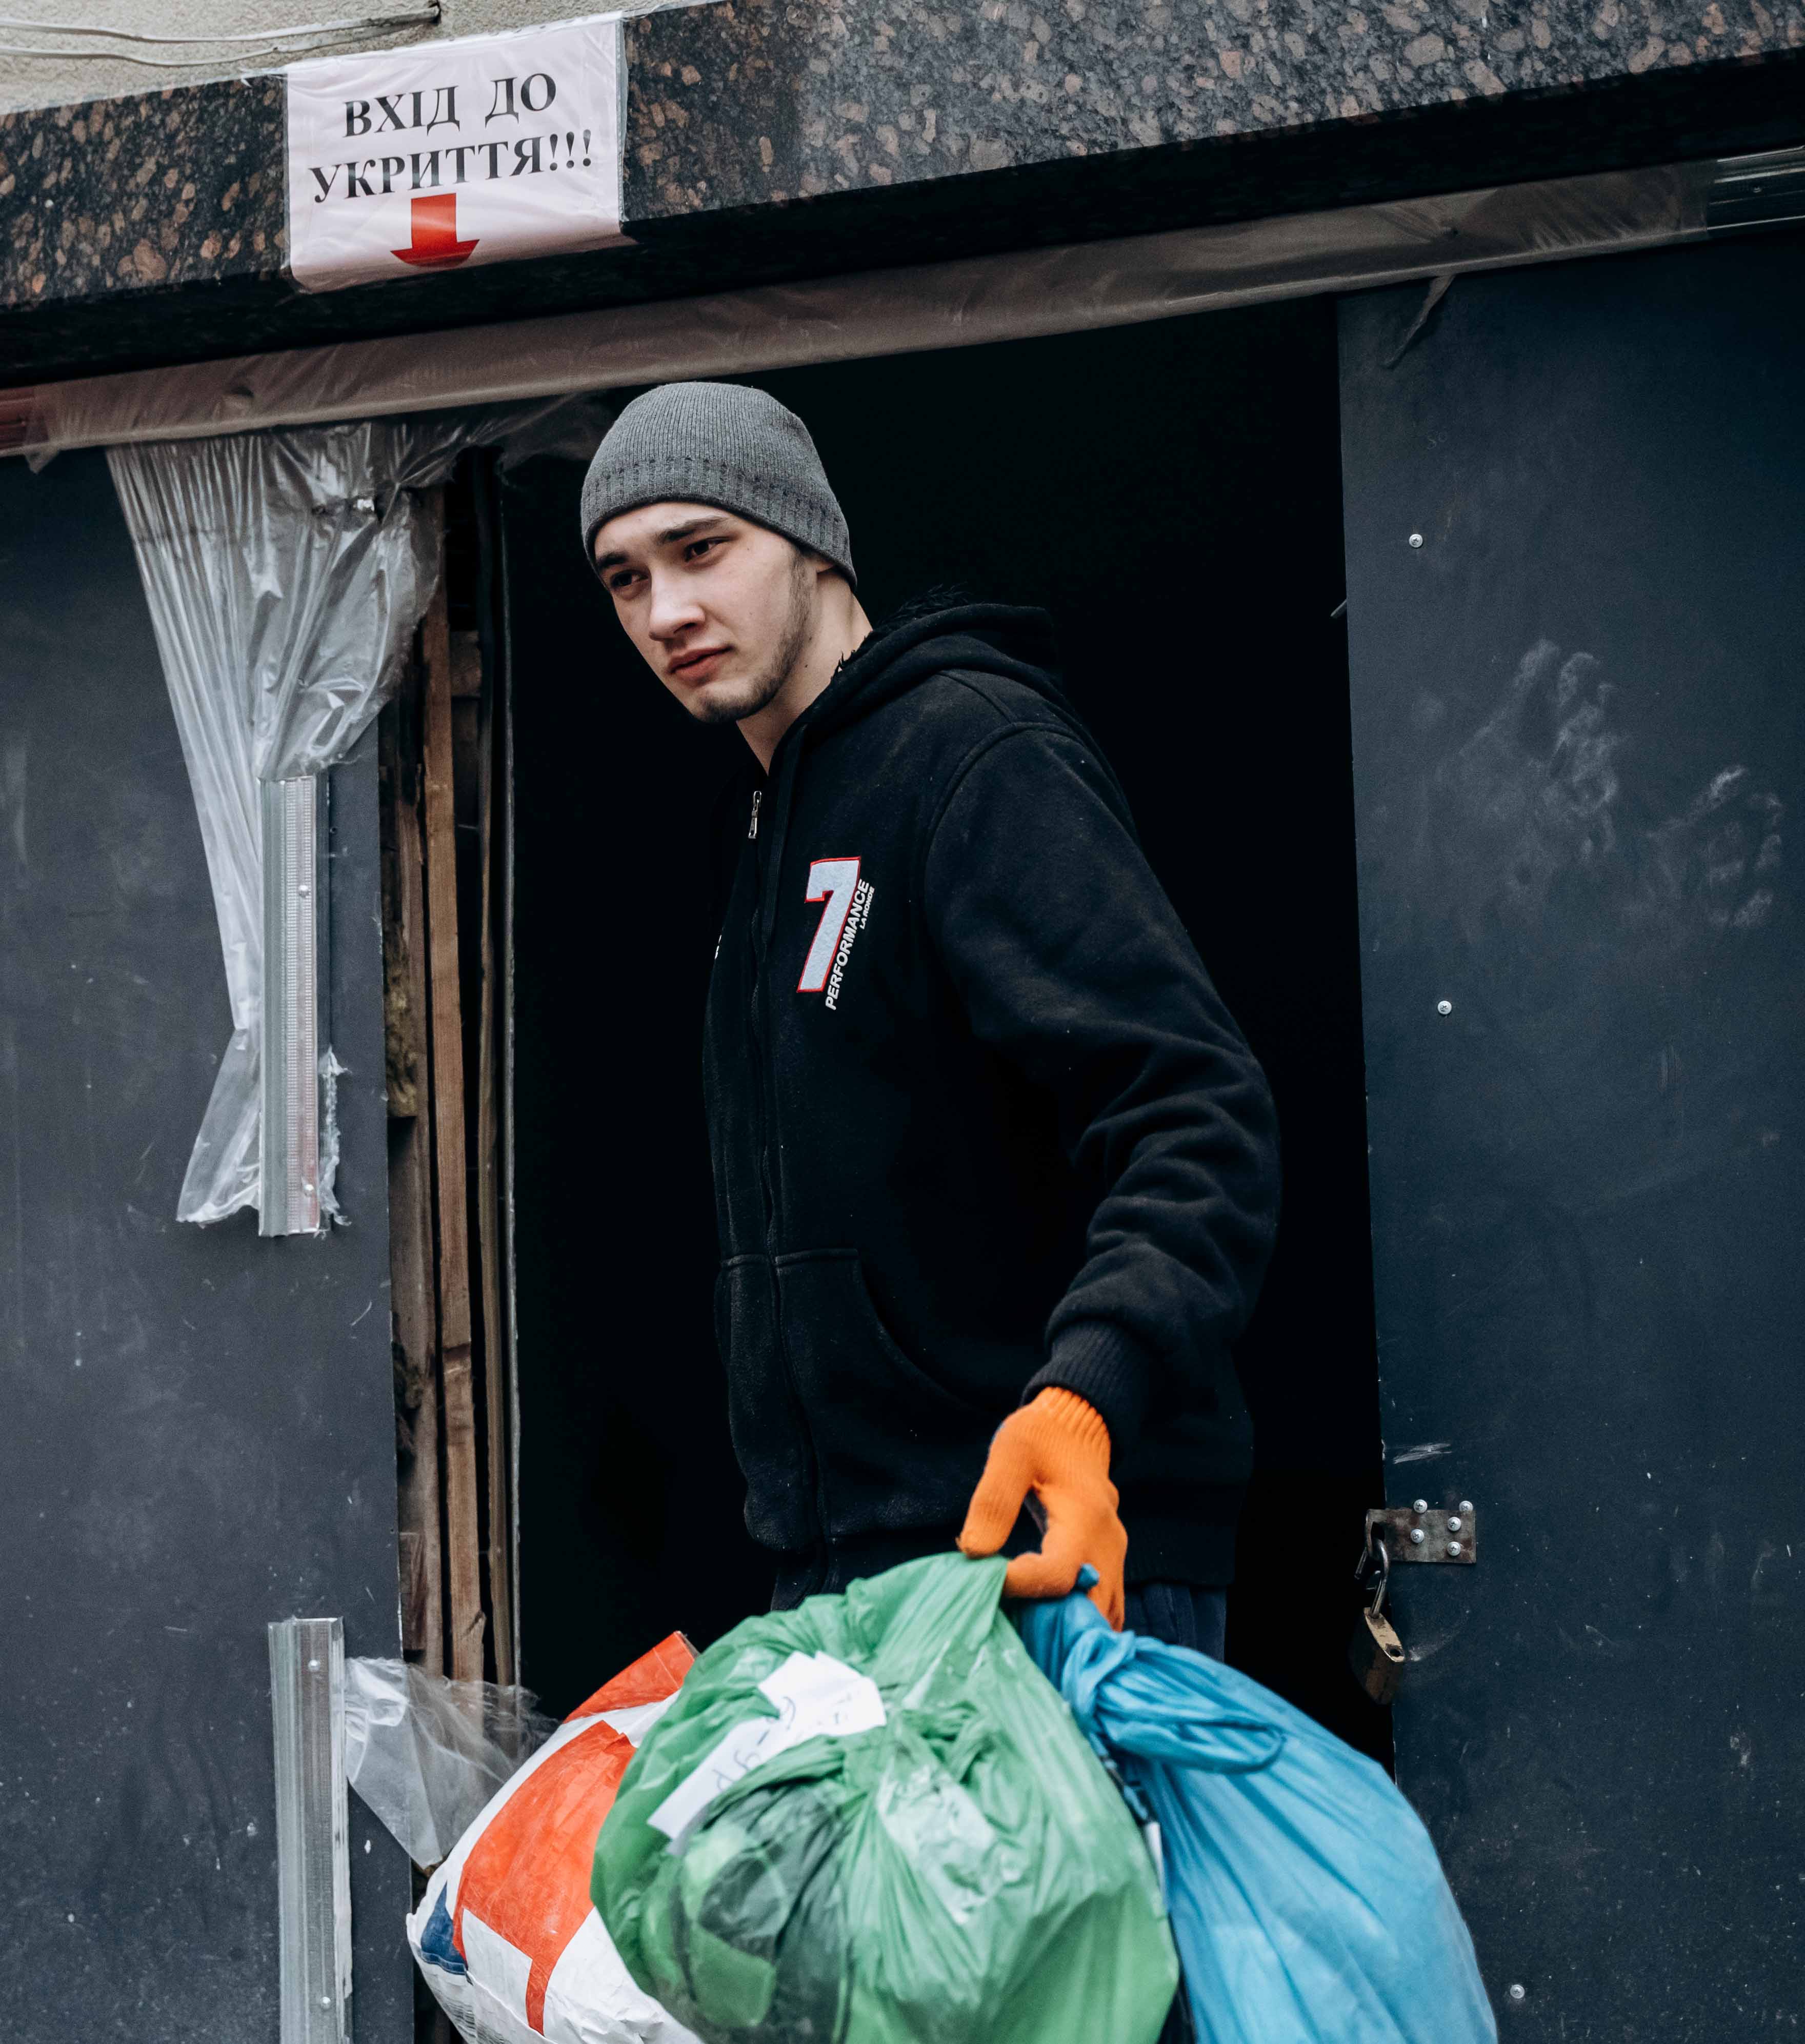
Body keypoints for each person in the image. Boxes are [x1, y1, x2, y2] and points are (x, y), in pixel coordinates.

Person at [580, 380, 1279, 1665]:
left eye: (700, 549)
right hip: (854, 1583)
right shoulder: (764, 832)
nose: (664, 610)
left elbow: (1197, 1115)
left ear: (811, 542)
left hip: (1042, 1559)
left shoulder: (971, 757)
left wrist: (1085, 1395)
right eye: (625, 579)